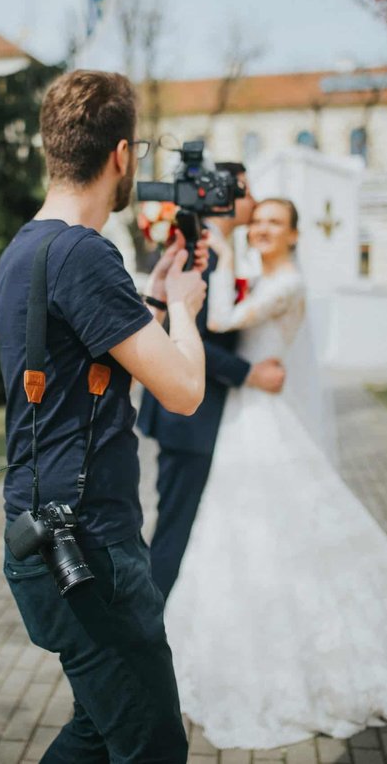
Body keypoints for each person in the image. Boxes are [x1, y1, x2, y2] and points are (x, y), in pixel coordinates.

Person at [0, 70, 209, 763]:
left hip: (38, 538)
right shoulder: (87, 253)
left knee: (98, 730)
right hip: (92, 552)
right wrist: (182, 308)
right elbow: (182, 391)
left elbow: (83, 351)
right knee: (152, 748)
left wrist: (147, 296)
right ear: (122, 155)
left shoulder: (26, 248)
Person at [165, 198, 387, 750]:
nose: (262, 229)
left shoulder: (286, 282)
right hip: (251, 411)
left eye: (274, 224)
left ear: (294, 234)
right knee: (247, 531)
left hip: (264, 420)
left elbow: (217, 322)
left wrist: (219, 250)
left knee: (263, 526)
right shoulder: (267, 278)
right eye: (257, 221)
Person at [137, 165, 285, 599]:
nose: (254, 201)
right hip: (189, 419)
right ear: (222, 196)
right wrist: (250, 373)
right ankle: (151, 618)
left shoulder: (220, 251)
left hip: (209, 416)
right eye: (247, 191)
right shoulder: (206, 256)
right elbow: (191, 335)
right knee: (175, 530)